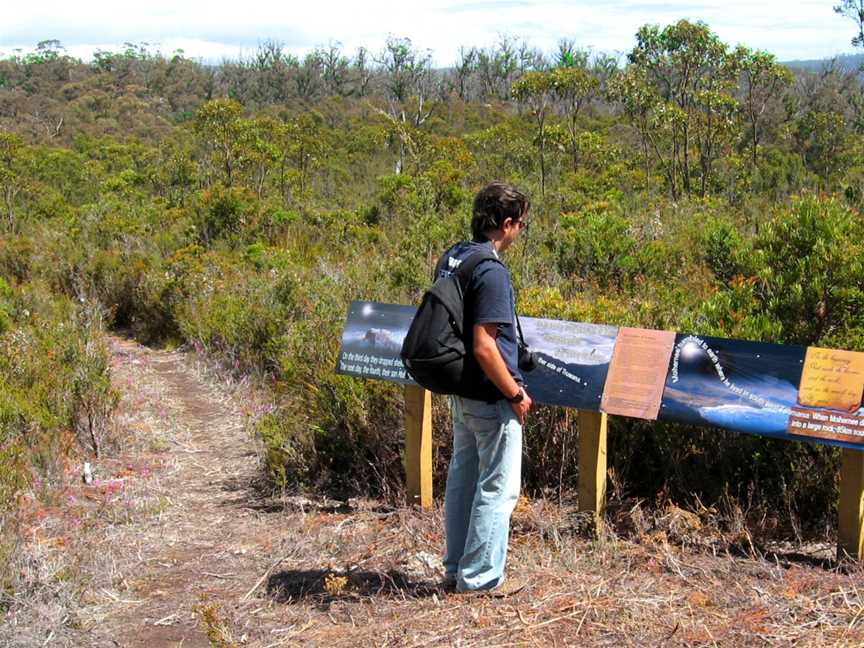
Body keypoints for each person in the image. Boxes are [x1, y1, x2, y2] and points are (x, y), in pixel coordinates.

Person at [439, 181, 533, 594]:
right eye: (520, 225)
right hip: (491, 396)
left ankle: (457, 567)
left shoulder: (454, 255)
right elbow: (484, 344)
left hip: (462, 391)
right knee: (497, 487)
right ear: (507, 224)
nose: (519, 233)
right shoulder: (492, 271)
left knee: (464, 477)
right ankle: (480, 579)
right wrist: (514, 392)